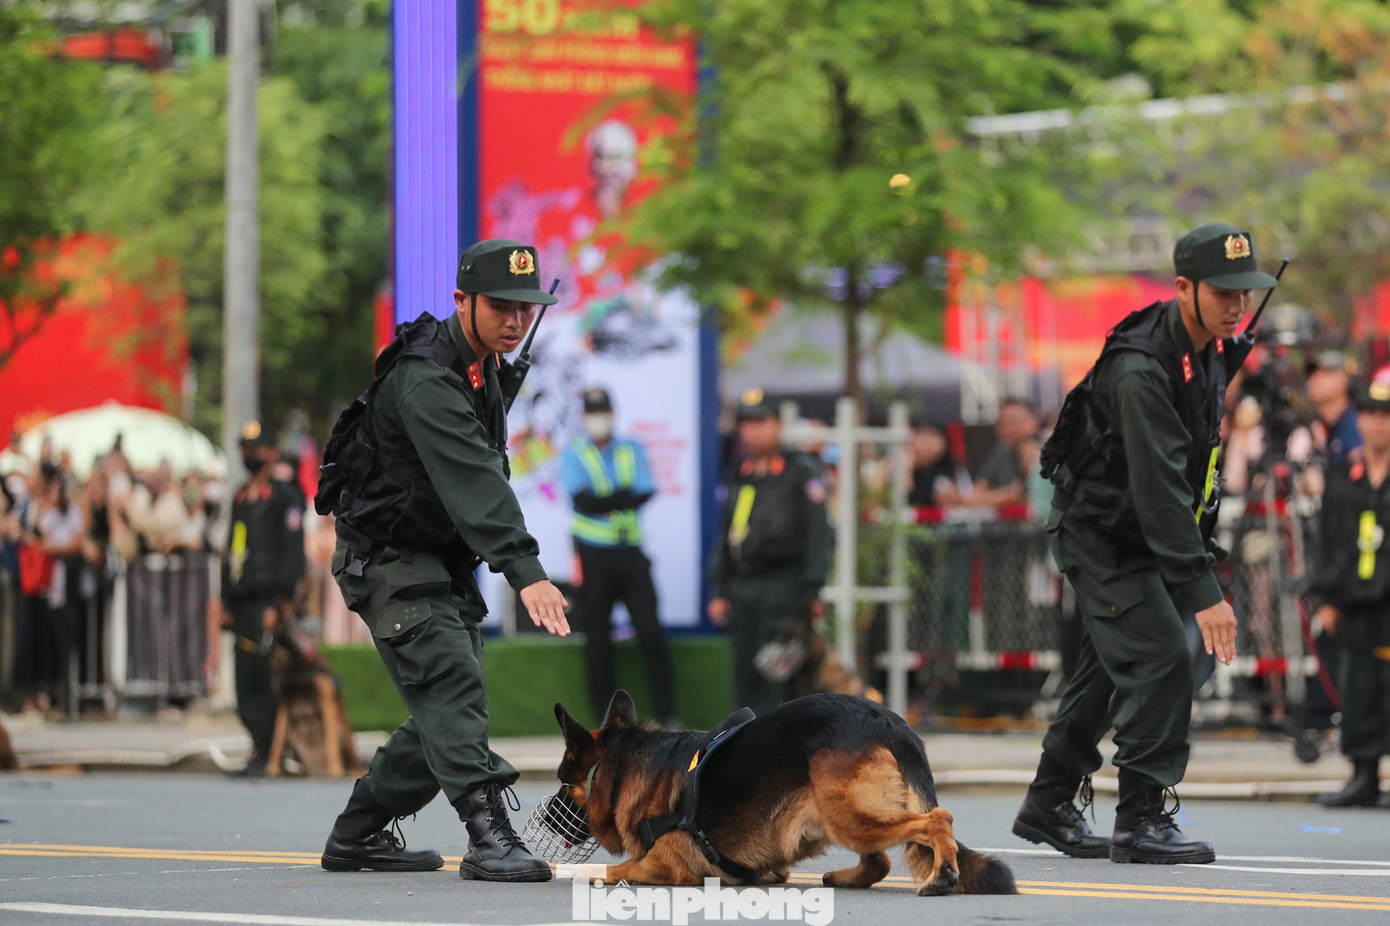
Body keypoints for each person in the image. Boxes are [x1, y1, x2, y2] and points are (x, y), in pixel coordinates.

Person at [1012, 222, 1277, 865]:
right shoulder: (1141, 367)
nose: (1238, 305)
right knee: (1161, 652)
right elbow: (1159, 491)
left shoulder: (1210, 343)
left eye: (1247, 291)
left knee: (1111, 668)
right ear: (1183, 287)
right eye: (1223, 292)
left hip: (1135, 532)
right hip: (1103, 534)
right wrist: (1204, 591)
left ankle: (1048, 805)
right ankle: (1143, 820)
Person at [317, 238, 569, 882]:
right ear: (463, 301)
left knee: (445, 707)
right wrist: (526, 569)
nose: (515, 320)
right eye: (501, 305)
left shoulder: (479, 365)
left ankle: (358, 833)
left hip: (436, 559)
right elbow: (474, 479)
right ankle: (490, 838)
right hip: (389, 560)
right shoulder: (428, 377)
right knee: (454, 689)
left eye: (525, 307)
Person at [707, 392, 832, 714]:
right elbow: (727, 534)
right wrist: (721, 589)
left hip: (785, 588)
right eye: (746, 424)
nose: (753, 431)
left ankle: (779, 753)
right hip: (744, 587)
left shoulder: (801, 472)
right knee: (745, 675)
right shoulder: (741, 473)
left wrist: (812, 589)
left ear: (778, 424)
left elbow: (819, 534)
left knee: (778, 677)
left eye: (761, 422)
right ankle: (748, 750)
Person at [560, 386, 676, 726]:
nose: (599, 418)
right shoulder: (574, 454)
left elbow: (644, 493)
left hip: (631, 552)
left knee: (651, 632)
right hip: (593, 555)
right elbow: (583, 502)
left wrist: (605, 500)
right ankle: (606, 720)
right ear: (584, 416)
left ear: (613, 413)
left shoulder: (631, 449)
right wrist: (621, 496)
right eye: (593, 412)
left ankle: (667, 713)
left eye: (603, 411)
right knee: (597, 638)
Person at [1307, 370, 1390, 808]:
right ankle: (1363, 774)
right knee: (1357, 686)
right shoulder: (1347, 473)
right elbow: (1329, 538)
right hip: (1355, 600)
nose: (1378, 423)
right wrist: (1327, 597)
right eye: (1371, 414)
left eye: (1386, 415)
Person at [211, 420, 306, 777]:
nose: (248, 455)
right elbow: (233, 550)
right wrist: (226, 598)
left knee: (267, 678)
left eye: (256, 448)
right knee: (244, 677)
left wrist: (280, 600)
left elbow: (291, 553)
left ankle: (270, 751)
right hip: (242, 600)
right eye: (245, 449)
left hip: (268, 601)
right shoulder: (239, 497)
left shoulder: (285, 497)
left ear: (271, 453)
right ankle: (257, 746)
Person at [961, 398, 1039, 508]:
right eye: (1002, 423)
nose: (1008, 429)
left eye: (1014, 422)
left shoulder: (1047, 449)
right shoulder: (1001, 452)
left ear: (1034, 421)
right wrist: (1010, 494)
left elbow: (1033, 495)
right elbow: (974, 496)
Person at [1305, 350, 1362, 463]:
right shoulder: (1322, 425)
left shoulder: (1357, 423)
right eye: (1313, 373)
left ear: (1346, 379)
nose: (1317, 378)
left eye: (1327, 372)